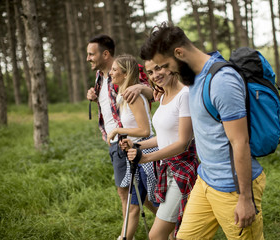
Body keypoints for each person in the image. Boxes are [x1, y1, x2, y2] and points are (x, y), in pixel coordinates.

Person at [139, 23, 266, 240]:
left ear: (179, 53)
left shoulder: (221, 81)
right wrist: (142, 88)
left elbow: (240, 142)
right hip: (205, 180)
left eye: (166, 65)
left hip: (231, 187)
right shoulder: (194, 77)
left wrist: (245, 198)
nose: (167, 72)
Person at [85, 35, 156, 239]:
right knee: (132, 192)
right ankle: (165, 222)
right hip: (117, 141)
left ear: (105, 54)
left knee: (132, 193)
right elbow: (108, 106)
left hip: (134, 140)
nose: (88, 58)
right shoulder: (100, 77)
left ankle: (129, 235)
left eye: (91, 54)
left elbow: (156, 91)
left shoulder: (127, 71)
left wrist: (142, 87)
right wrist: (93, 95)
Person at [122, 59, 199, 240]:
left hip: (183, 170)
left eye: (158, 68)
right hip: (167, 168)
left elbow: (183, 142)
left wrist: (147, 158)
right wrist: (136, 145)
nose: (154, 75)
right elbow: (163, 137)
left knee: (156, 235)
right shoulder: (164, 96)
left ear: (171, 66)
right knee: (172, 233)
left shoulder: (185, 95)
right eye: (149, 72)